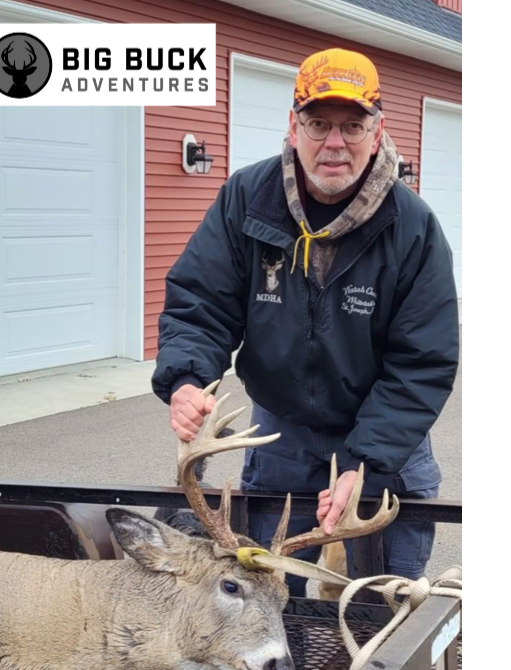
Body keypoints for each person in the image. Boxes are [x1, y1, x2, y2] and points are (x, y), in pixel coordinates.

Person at [151, 48, 459, 597]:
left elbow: (422, 361)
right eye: (318, 123)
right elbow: (202, 300)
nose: (334, 142)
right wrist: (187, 378)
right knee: (267, 597)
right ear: (293, 126)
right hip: (283, 434)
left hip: (386, 438)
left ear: (377, 128)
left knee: (382, 603)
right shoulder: (246, 199)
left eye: (352, 124)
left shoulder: (413, 228)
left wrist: (364, 460)